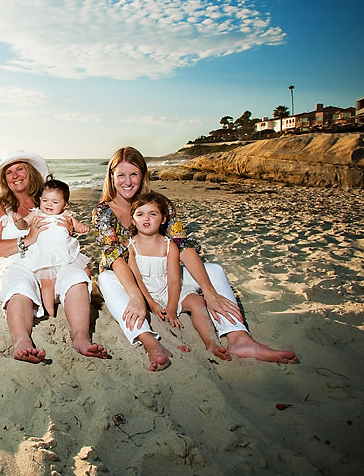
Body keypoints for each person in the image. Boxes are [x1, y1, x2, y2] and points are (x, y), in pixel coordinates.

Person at [92, 147, 297, 370]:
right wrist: (136, 296)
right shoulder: (102, 211)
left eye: (134, 174)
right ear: (111, 176)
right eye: (121, 174)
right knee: (105, 278)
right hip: (130, 278)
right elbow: (114, 256)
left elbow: (182, 245)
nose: (127, 181)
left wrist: (208, 292)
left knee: (214, 270)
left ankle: (239, 338)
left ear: (143, 175)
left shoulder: (160, 205)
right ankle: (149, 340)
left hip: (164, 273)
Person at [0, 150, 108, 363]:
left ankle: (81, 337)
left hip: (54, 260)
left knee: (76, 279)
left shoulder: (48, 199)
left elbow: (66, 228)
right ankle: (22, 341)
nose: (15, 175)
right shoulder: (0, 206)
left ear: (30, 172)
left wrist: (68, 228)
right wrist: (26, 240)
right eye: (9, 173)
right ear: (5, 180)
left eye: (20, 169)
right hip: (18, 262)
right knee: (19, 286)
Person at [127, 192, 230, 361]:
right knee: (144, 315)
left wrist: (172, 307)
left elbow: (174, 279)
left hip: (169, 290)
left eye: (153, 214)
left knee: (197, 301)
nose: (146, 218)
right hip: (146, 293)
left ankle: (211, 343)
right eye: (140, 214)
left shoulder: (170, 246)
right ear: (132, 220)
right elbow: (137, 279)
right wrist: (152, 304)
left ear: (163, 220)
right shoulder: (130, 246)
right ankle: (165, 341)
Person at [12, 178, 91, 317]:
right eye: (45, 200)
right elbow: (24, 225)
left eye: (55, 202)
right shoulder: (37, 213)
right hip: (45, 254)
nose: (49, 204)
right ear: (40, 199)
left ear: (65, 205)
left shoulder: (66, 215)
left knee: (85, 271)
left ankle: (81, 299)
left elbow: (76, 226)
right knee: (47, 283)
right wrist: (19, 221)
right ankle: (50, 312)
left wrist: (81, 227)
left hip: (65, 252)